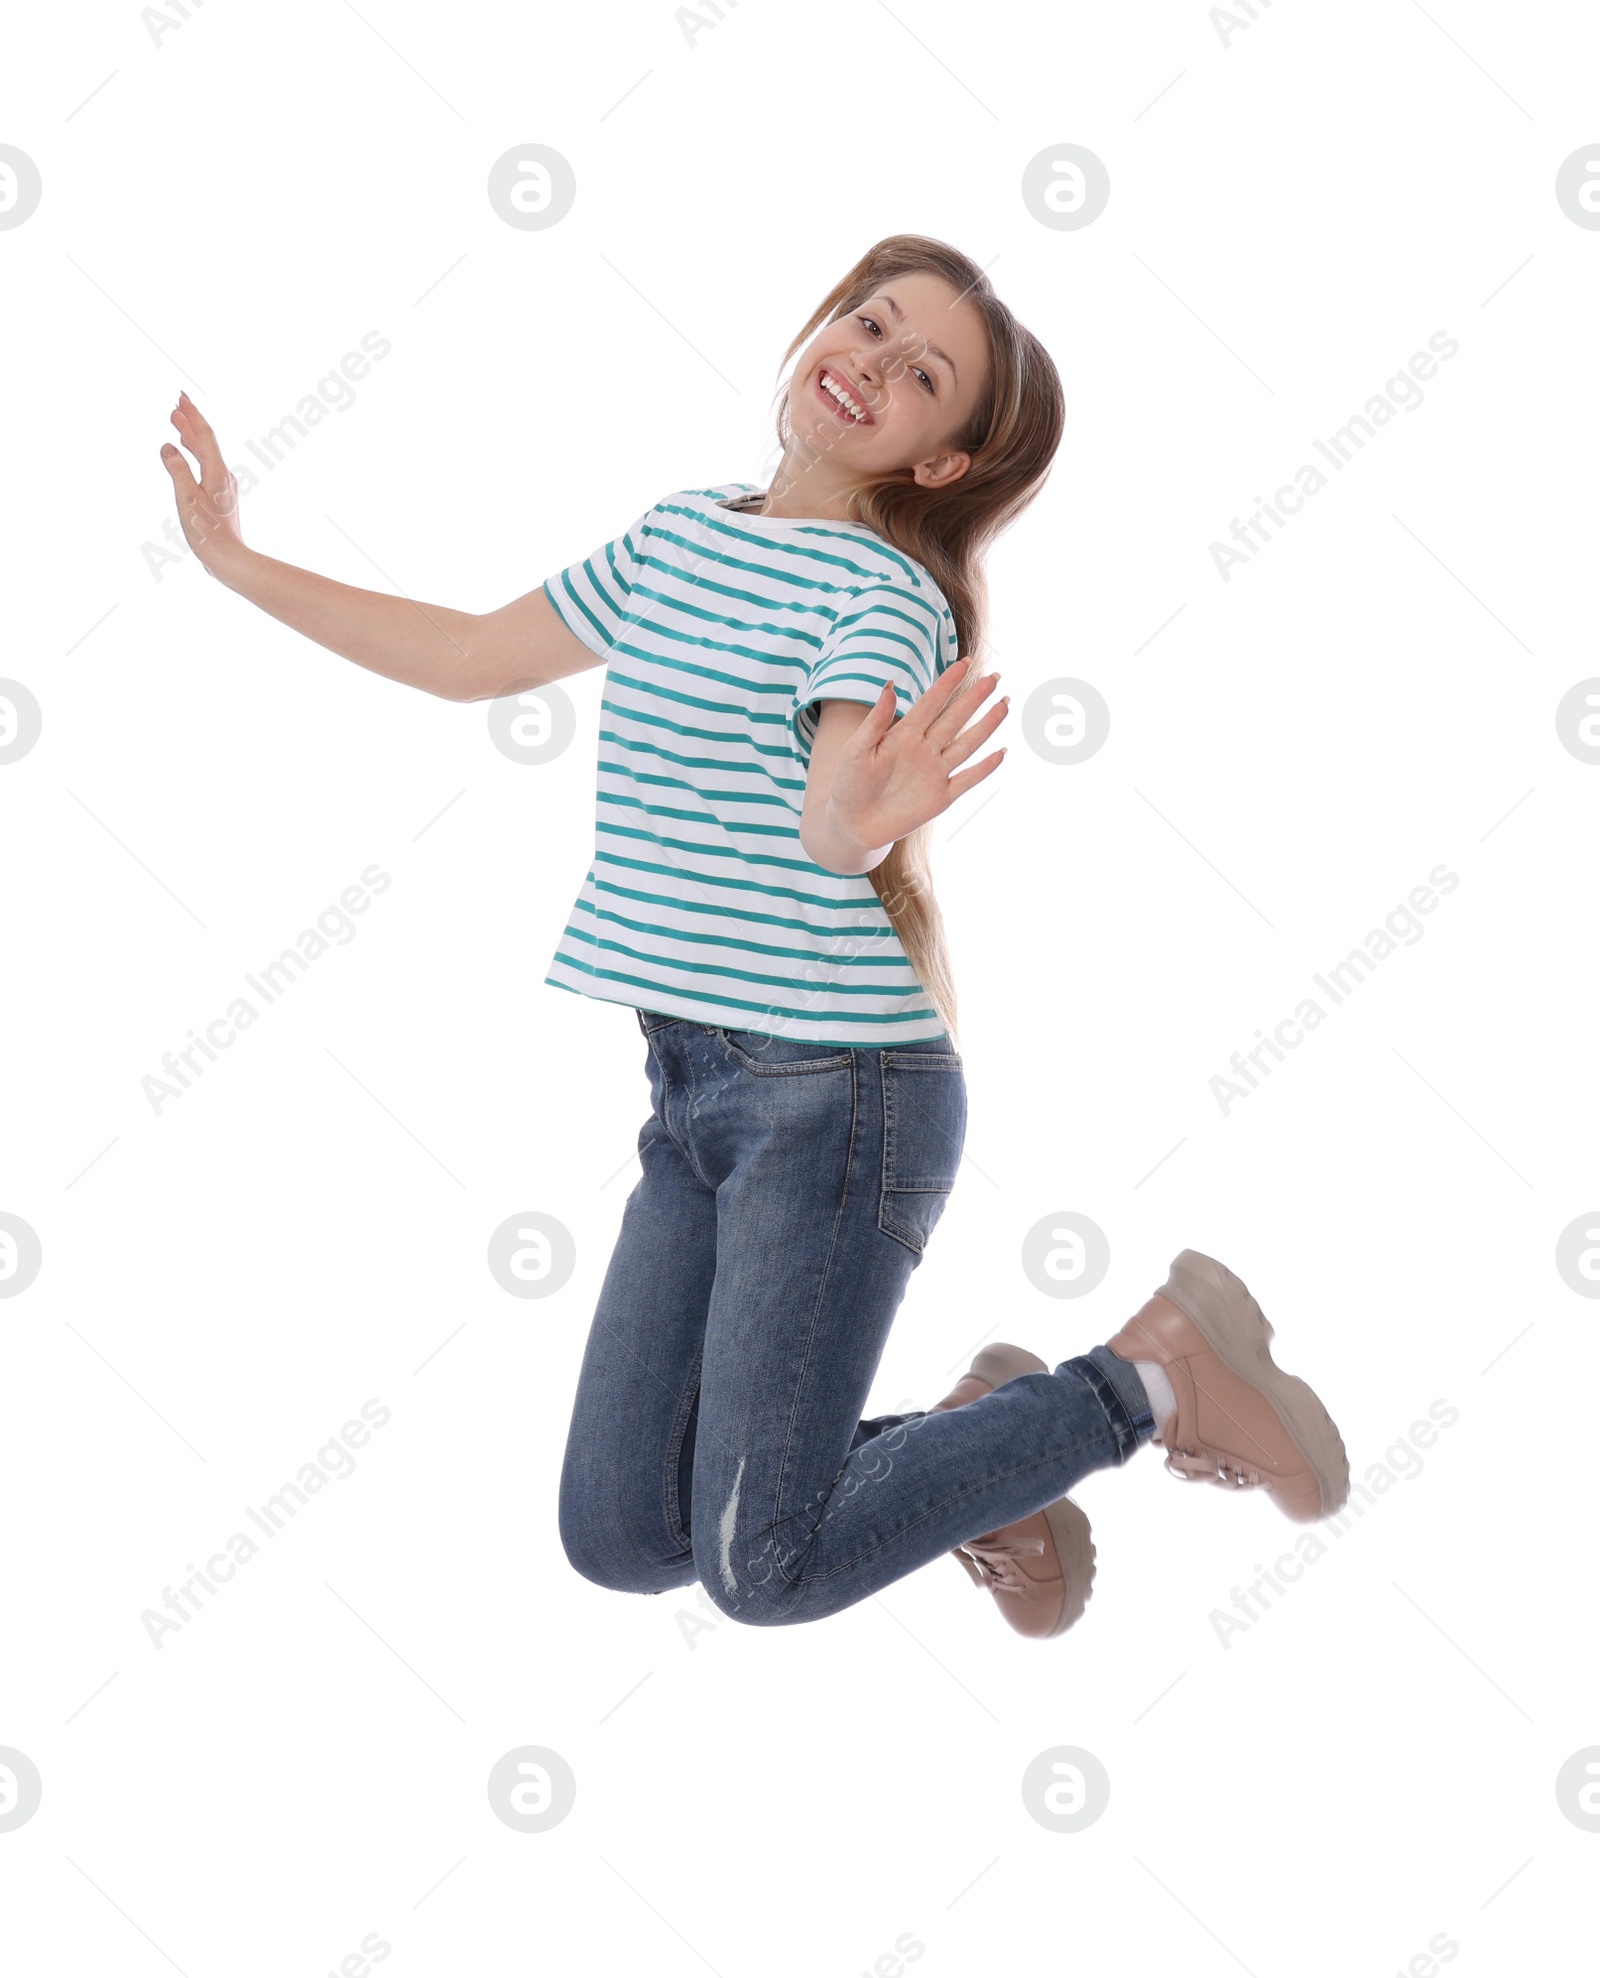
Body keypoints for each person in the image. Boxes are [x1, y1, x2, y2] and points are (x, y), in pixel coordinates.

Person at [161, 233, 1349, 1646]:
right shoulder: (679, 536)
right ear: (817, 328)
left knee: (761, 1562)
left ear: (939, 462)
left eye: (924, 378)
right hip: (696, 1087)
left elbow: (833, 823)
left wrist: (866, 812)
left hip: (836, 1096)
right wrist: (236, 560)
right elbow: (473, 655)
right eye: (869, 322)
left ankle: (1147, 1380)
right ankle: (980, 1443)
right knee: (624, 1532)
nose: (872, 365)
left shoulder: (881, 596)